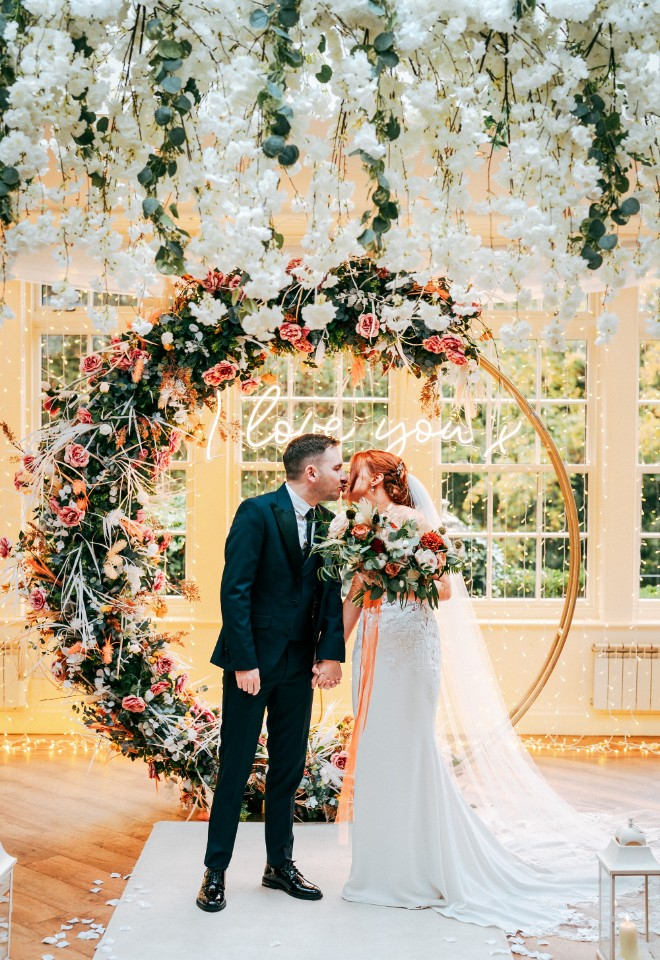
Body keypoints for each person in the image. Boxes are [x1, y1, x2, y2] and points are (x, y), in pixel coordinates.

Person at [340, 449, 609, 937]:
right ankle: (380, 867)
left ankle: (421, 868)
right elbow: (357, 592)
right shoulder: (360, 529)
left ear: (376, 477)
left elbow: (442, 590)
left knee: (411, 749)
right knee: (376, 751)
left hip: (411, 645)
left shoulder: (413, 523)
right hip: (373, 648)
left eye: (354, 469)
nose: (346, 477)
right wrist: (333, 651)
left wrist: (398, 575)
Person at [196, 433, 346, 913]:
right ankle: (214, 872)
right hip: (253, 664)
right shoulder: (256, 512)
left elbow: (328, 595)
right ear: (311, 473)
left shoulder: (329, 524)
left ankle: (278, 866)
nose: (343, 475)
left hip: (299, 665)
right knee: (236, 766)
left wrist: (329, 655)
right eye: (337, 467)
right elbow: (235, 589)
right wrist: (244, 662)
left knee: (288, 767)